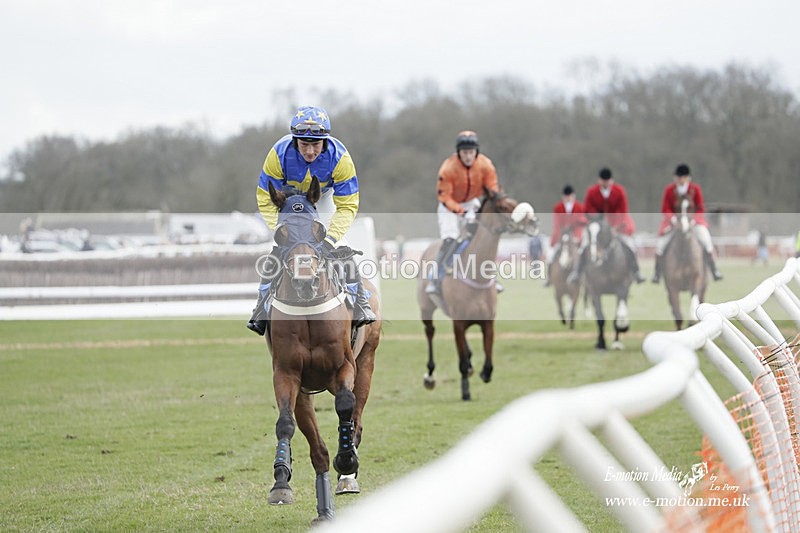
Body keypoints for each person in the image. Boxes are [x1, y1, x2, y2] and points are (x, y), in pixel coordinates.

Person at [246, 105, 376, 335]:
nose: (309, 151)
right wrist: (282, 232)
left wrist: (330, 239)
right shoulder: (278, 154)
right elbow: (266, 198)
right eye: (304, 144)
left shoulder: (340, 158)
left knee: (340, 247)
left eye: (315, 144)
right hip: (288, 202)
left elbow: (347, 206)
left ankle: (361, 302)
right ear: (295, 140)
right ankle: (261, 309)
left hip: (322, 199)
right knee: (277, 251)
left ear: (325, 142)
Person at [426, 130, 499, 294]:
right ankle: (436, 278)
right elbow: (445, 196)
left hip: (471, 203)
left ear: (476, 152)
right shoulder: (448, 168)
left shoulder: (486, 165)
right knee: (450, 239)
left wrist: (492, 204)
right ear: (458, 153)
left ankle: (493, 277)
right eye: (464, 152)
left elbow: (492, 189)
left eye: (471, 152)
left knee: (483, 238)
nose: (468, 156)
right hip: (449, 206)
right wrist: (462, 212)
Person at [567, 167, 645, 284]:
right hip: (597, 226)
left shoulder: (619, 191)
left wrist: (615, 227)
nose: (605, 184)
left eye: (607, 181)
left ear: (611, 181)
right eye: (603, 181)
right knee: (584, 246)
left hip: (618, 226)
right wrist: (597, 220)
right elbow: (587, 209)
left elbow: (622, 210)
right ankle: (576, 273)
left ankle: (636, 272)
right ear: (599, 181)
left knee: (629, 245)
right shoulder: (591, 192)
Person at [651, 164, 723, 283]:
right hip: (674, 223)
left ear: (687, 178)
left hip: (694, 223)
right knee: (660, 246)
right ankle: (657, 273)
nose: (679, 180)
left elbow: (700, 208)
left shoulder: (695, 189)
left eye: (682, 177)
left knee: (707, 241)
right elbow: (665, 208)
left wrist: (693, 220)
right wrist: (673, 220)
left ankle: (714, 270)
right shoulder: (669, 190)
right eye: (678, 177)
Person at [544, 184, 586, 287]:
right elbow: (556, 225)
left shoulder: (579, 207)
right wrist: (555, 241)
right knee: (550, 255)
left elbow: (582, 223)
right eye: (566, 197)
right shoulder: (558, 207)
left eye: (570, 196)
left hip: (576, 237)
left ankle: (584, 278)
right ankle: (549, 278)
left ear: (573, 196)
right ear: (563, 197)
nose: (568, 199)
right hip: (562, 237)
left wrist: (577, 237)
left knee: (585, 255)